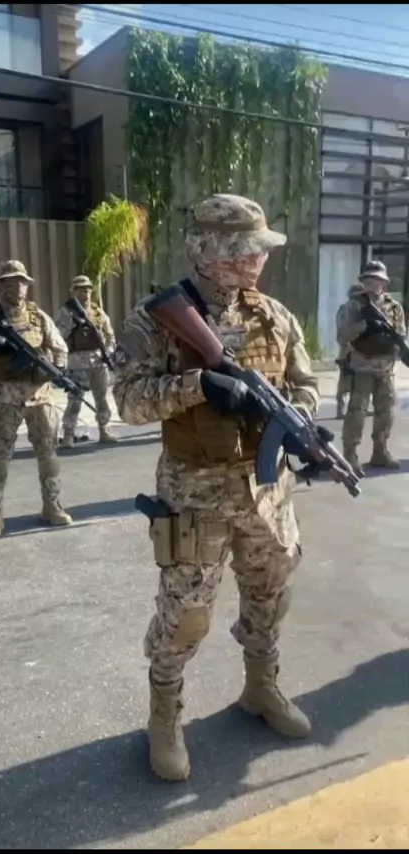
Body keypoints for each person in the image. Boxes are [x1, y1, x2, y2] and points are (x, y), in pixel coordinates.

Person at [112, 194, 320, 782]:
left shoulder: (274, 315)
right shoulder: (156, 319)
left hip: (267, 494)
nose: (258, 260)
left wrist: (301, 419)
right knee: (185, 616)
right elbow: (127, 402)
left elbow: (305, 382)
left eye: (259, 250)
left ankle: (261, 687)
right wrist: (198, 385)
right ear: (210, 251)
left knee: (270, 594)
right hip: (194, 497)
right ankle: (164, 716)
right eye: (246, 251)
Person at [0, 260, 72, 538]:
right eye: (8, 282)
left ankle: (52, 505)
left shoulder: (39, 317)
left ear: (27, 286)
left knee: (48, 454)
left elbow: (60, 349)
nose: (16, 287)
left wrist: (53, 370)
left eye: (20, 282)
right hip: (4, 398)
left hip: (40, 397)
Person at [336, 260, 406, 477]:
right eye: (369, 279)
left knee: (386, 412)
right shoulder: (352, 306)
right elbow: (342, 335)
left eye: (377, 279)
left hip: (385, 367)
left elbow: (401, 333)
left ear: (385, 283)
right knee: (357, 413)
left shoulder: (394, 307)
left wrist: (396, 346)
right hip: (361, 367)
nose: (373, 283)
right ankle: (350, 455)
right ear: (363, 281)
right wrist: (364, 325)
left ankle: (380, 451)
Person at [55, 275, 117, 447]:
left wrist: (108, 352)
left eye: (87, 289)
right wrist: (72, 324)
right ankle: (68, 435)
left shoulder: (98, 312)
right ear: (74, 292)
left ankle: (104, 430)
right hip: (77, 360)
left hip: (98, 360)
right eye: (81, 290)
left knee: (101, 398)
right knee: (75, 399)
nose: (85, 293)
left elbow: (110, 335)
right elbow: (59, 337)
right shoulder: (67, 312)